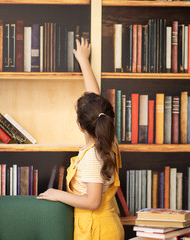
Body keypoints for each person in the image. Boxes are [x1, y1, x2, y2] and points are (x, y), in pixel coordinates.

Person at [37, 37, 124, 240]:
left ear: (80, 127)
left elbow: (93, 202)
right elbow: (96, 101)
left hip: (97, 232)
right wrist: (83, 60)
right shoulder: (108, 140)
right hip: (103, 226)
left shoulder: (94, 158)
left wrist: (56, 194)